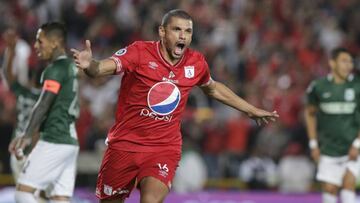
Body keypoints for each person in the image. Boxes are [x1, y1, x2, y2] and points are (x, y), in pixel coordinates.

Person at [72, 9, 278, 203]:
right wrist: (91, 65)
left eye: (188, 31)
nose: (183, 36)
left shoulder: (196, 62)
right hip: (125, 143)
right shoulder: (139, 52)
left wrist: (250, 109)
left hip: (163, 146)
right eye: (177, 29)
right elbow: (102, 68)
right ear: (162, 31)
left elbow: (213, 88)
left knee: (151, 199)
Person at [8, 22, 80, 203]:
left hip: (54, 138)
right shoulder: (70, 67)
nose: (36, 46)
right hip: (70, 141)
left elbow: (43, 104)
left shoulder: (55, 69)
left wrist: (25, 135)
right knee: (59, 199)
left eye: (40, 41)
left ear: (55, 42)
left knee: (22, 193)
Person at [305, 47, 360, 203]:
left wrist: (357, 144)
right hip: (328, 148)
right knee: (330, 189)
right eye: (344, 61)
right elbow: (309, 114)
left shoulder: (357, 86)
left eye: (350, 61)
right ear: (332, 63)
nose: (348, 65)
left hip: (353, 148)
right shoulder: (318, 87)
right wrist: (313, 144)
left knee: (348, 184)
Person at [1, 27, 41, 183]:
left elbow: (7, 74)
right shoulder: (50, 99)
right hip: (36, 151)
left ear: (31, 81)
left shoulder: (24, 93)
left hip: (17, 148)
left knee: (24, 193)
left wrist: (10, 50)